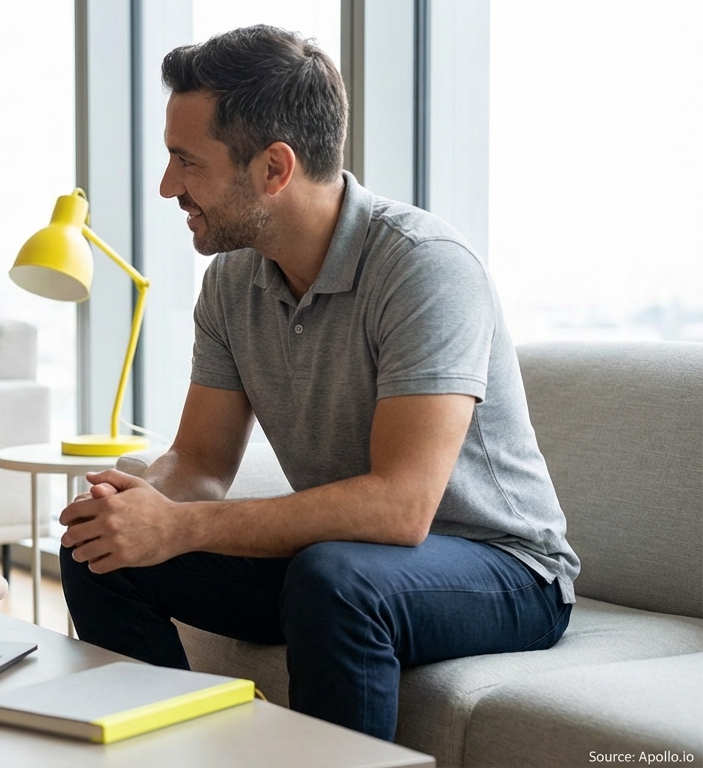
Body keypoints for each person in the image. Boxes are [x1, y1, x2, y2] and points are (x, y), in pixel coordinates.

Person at [58, 26, 579, 740]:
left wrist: (180, 527)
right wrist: (138, 504)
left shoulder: (424, 267)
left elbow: (401, 508)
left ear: (275, 167)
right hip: (337, 562)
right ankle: (169, 752)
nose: (167, 186)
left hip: (503, 571)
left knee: (337, 579)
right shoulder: (232, 281)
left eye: (187, 162)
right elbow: (203, 462)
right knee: (98, 549)